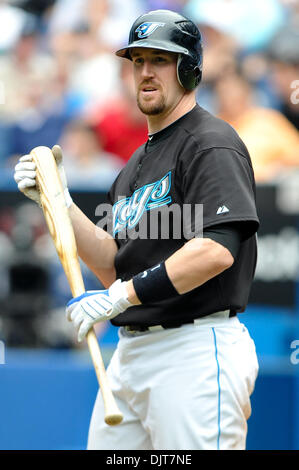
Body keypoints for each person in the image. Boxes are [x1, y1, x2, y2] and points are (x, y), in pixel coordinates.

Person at [14, 9, 259, 451]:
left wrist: (120, 297)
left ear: (189, 67)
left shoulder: (210, 142)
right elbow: (114, 265)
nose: (145, 72)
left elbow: (216, 249)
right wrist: (59, 202)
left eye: (159, 59)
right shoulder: (134, 166)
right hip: (131, 354)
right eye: (137, 60)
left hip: (195, 350)